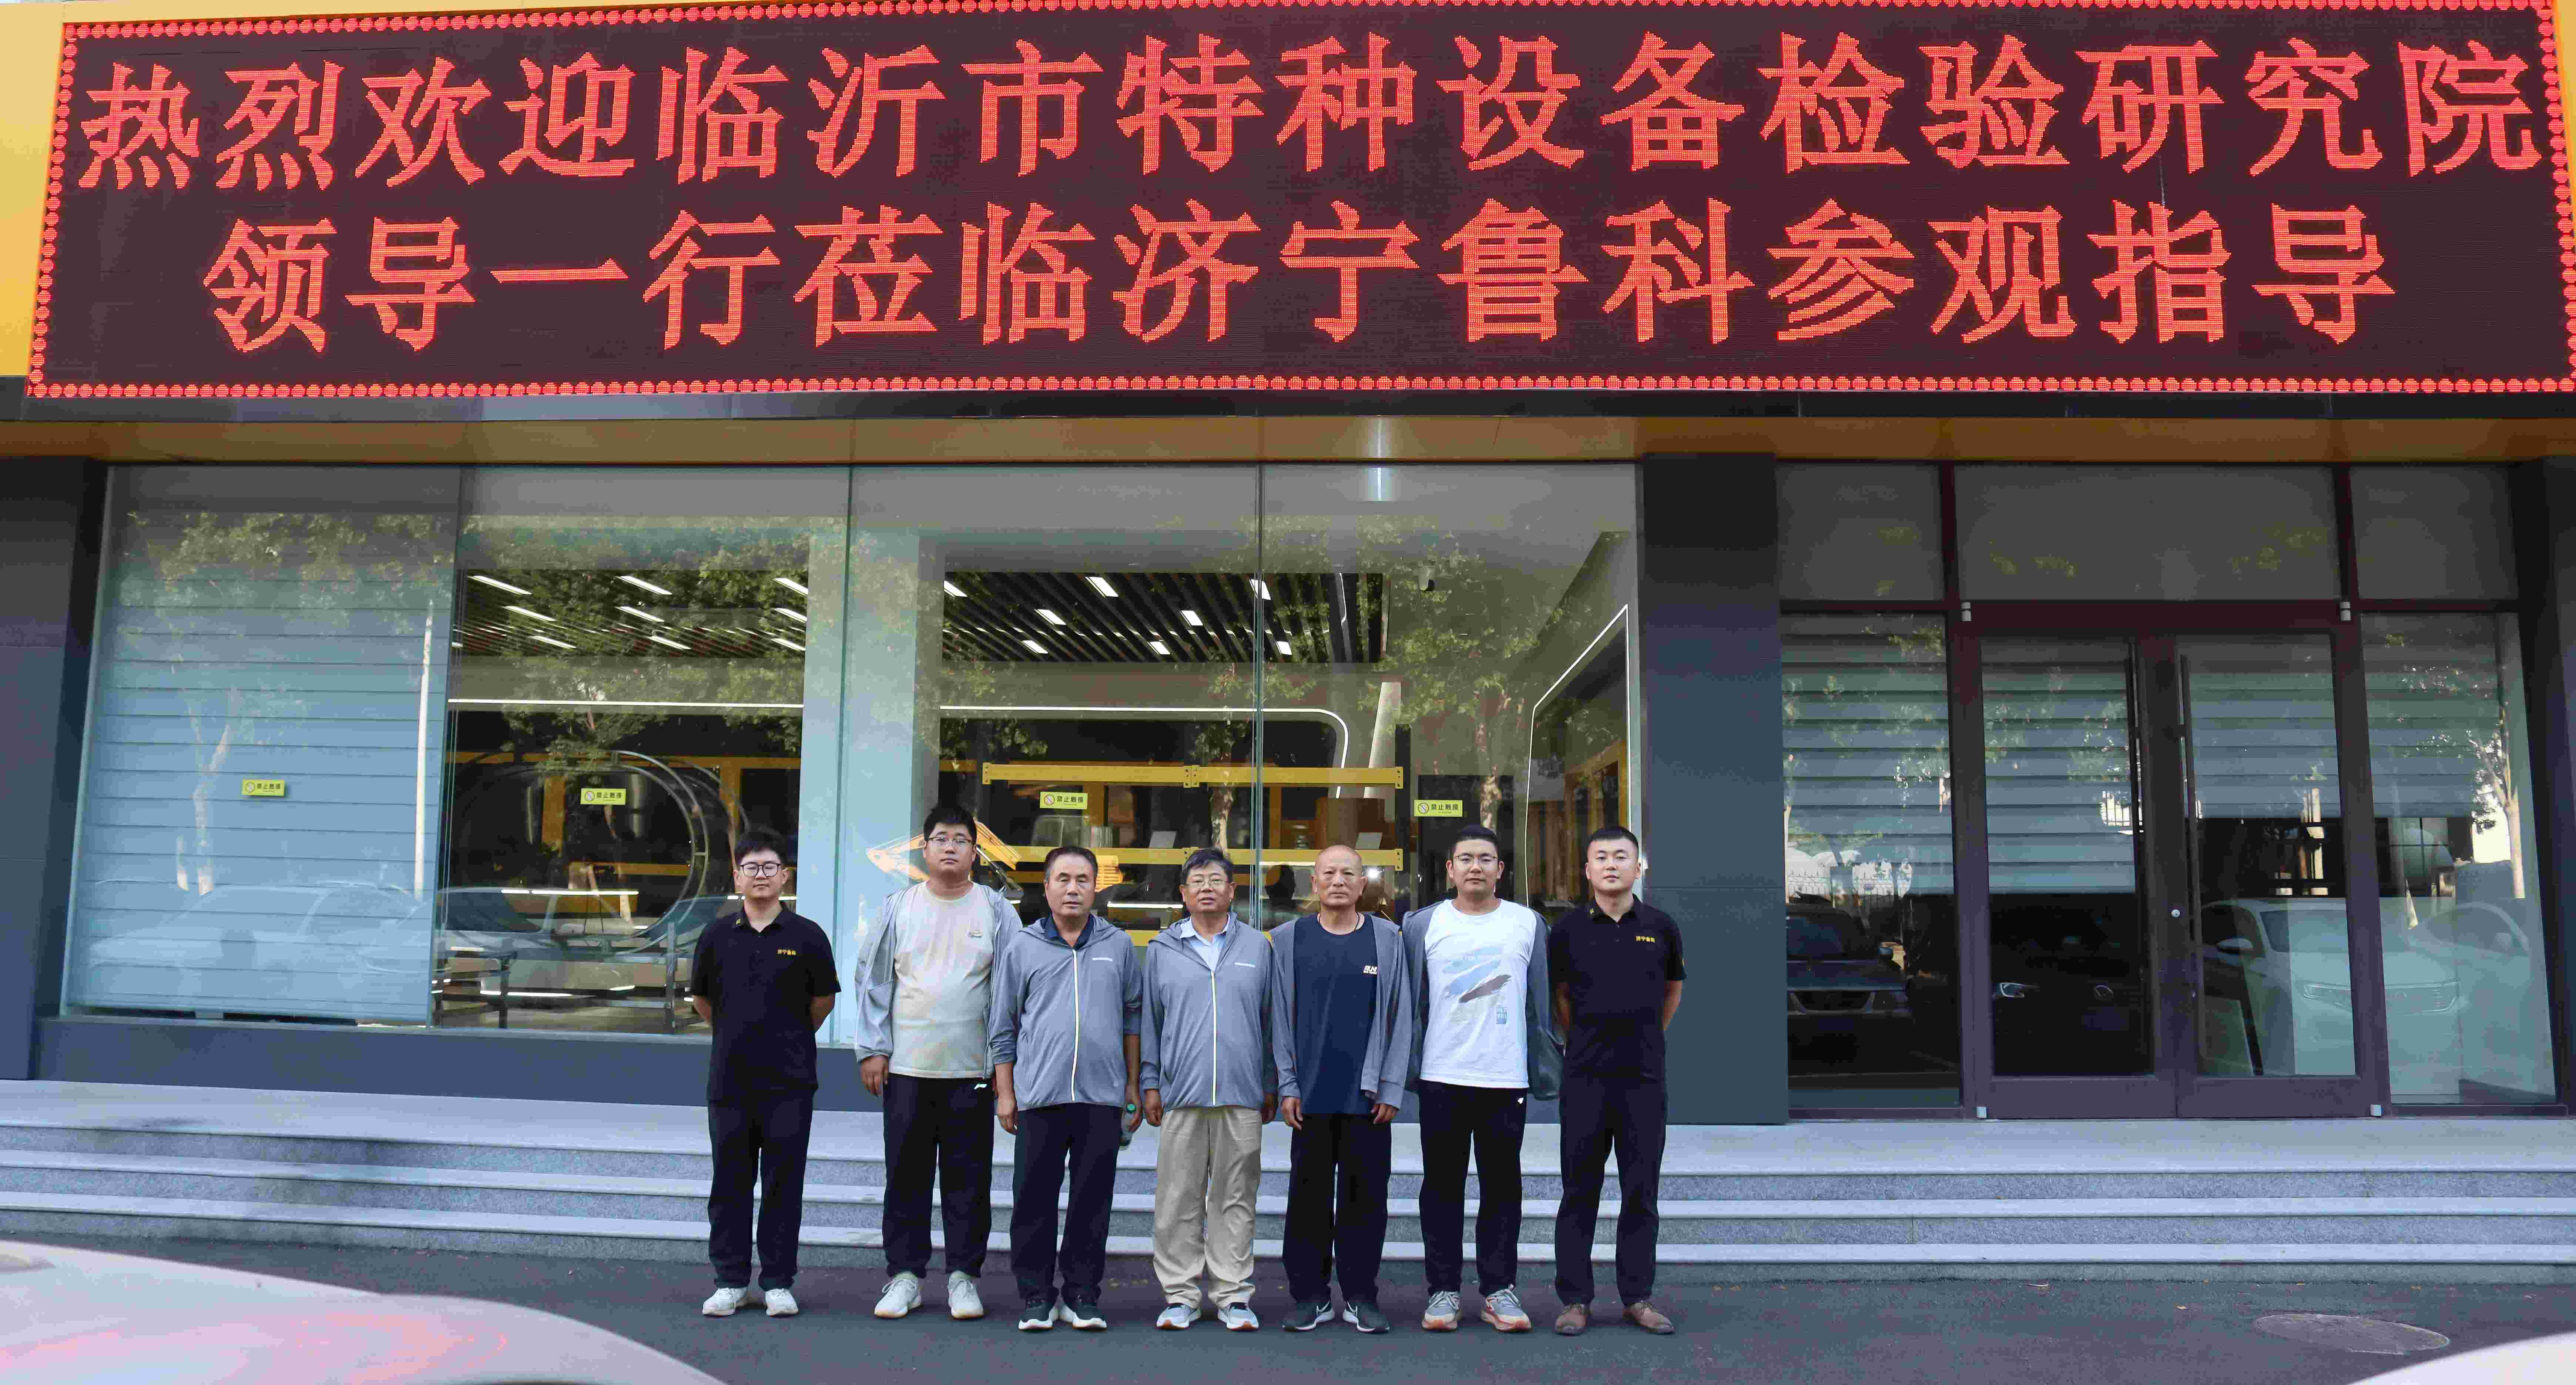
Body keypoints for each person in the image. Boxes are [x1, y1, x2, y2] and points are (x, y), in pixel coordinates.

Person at [853, 806, 1014, 1323]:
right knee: (906, 1178)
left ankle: (964, 1277)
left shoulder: (997, 910)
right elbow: (873, 979)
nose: (950, 847)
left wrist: (1005, 1068)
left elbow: (1013, 992)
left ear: (975, 853)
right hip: (907, 1070)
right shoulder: (899, 906)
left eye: (961, 839)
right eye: (941, 838)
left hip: (972, 1073)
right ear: (924, 849)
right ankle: (905, 1276)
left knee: (969, 1181)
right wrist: (873, 1048)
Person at [1403, 824, 1559, 1334]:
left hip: (1505, 1077)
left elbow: (1541, 1001)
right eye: (1466, 858)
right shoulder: (1423, 924)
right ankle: (1443, 1290)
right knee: (1441, 1187)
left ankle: (1498, 1290)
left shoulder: (1527, 924)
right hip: (1441, 1075)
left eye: (1486, 858)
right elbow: (1412, 1002)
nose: (1476, 866)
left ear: (1500, 869)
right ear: (1450, 869)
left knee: (1503, 1189)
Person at [990, 845, 1143, 1332]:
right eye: (1063, 879)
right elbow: (1003, 1027)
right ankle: (1036, 1294)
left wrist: (1132, 1085)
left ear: (1096, 887)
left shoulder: (1119, 945)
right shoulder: (1023, 946)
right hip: (1040, 1096)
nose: (1073, 889)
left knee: (1091, 1203)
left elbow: (1133, 1019)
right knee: (1033, 1201)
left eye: (1082, 880)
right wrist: (1006, 1093)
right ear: (1047, 887)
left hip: (1102, 1097)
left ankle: (1082, 1294)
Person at [688, 829, 839, 1319]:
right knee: (729, 1185)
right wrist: (737, 1033)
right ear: (736, 876)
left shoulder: (808, 936)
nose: (761, 875)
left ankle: (777, 1282)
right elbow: (703, 1001)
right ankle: (730, 1281)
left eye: (770, 867)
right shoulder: (716, 936)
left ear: (785, 876)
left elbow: (822, 1002)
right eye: (751, 867)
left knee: (782, 1185)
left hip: (789, 1083)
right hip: (730, 1082)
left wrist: (785, 1036)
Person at [1268, 843, 1413, 1334]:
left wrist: (1391, 1085)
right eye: (1328, 873)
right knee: (1306, 1202)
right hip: (1309, 1096)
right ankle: (1310, 1296)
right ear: (1314, 882)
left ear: (1361, 883)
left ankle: (1360, 1295)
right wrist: (1287, 1083)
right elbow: (1278, 1019)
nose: (1337, 881)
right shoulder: (1288, 939)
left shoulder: (1387, 938)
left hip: (1367, 1099)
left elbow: (1401, 1016)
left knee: (1365, 1201)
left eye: (1348, 873)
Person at [1549, 825, 1686, 1337]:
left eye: (1621, 856)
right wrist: (1586, 1041)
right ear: (1587, 869)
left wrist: (1643, 1037)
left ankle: (1637, 1297)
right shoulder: (1566, 931)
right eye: (1601, 857)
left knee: (1641, 1192)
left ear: (1638, 866)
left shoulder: (1661, 927)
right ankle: (1575, 1299)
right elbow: (1562, 998)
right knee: (1578, 1191)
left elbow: (1671, 992)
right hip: (1585, 1079)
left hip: (1643, 1080)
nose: (1612, 864)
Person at [1138, 848, 1275, 1332]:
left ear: (1233, 890)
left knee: (1236, 1198)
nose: (1207, 888)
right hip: (1181, 1093)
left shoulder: (1257, 946)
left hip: (1242, 1093)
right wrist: (1150, 1083)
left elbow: (1272, 1022)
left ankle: (1233, 1295)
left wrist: (1272, 1083)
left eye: (1216, 880)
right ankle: (1181, 1296)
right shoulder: (1163, 949)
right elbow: (1150, 1023)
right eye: (1197, 881)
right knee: (1178, 1198)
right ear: (1183, 893)